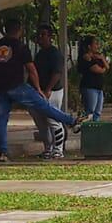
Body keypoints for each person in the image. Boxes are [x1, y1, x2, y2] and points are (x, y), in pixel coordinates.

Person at [0, 16, 80, 162]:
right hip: (16, 86)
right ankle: (71, 121)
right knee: (44, 106)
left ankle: (3, 153)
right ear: (19, 30)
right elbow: (31, 70)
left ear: (5, 30)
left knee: (1, 120)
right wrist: (38, 89)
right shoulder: (20, 47)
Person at [33, 24, 69, 158]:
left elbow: (57, 73)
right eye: (39, 35)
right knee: (42, 122)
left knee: (53, 119)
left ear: (50, 37)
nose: (40, 38)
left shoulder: (55, 54)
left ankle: (58, 149)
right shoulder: (40, 54)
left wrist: (48, 89)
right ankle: (48, 148)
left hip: (53, 91)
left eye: (43, 35)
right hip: (40, 90)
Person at [77, 34, 110, 122]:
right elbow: (98, 69)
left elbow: (107, 67)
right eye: (95, 44)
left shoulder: (97, 56)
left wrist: (102, 59)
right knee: (90, 111)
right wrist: (103, 67)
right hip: (90, 87)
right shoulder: (86, 57)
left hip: (99, 87)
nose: (97, 46)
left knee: (97, 112)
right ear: (89, 46)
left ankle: (95, 130)